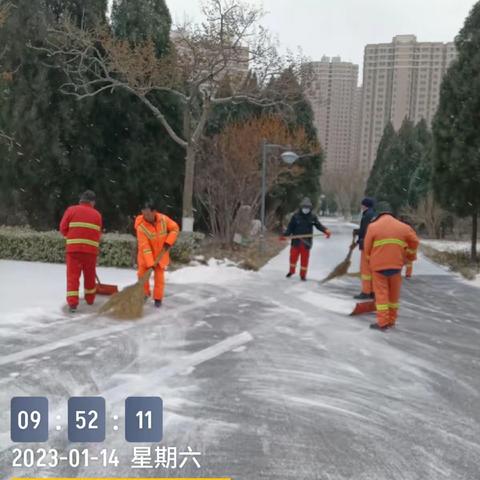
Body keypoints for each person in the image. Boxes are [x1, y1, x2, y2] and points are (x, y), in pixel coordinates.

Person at [364, 201, 419, 331]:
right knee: (393, 295)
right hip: (396, 266)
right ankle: (391, 320)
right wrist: (409, 256)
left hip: (378, 267)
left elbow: (367, 248)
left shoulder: (373, 226)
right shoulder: (403, 227)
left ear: (379, 213)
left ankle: (382, 322)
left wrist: (369, 260)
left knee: (382, 295)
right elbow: (415, 241)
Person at [59, 190, 102, 313]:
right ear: (92, 202)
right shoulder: (97, 215)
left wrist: (72, 237)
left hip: (73, 250)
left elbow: (63, 228)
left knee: (73, 276)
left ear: (81, 200)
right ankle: (90, 299)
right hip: (90, 251)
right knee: (89, 275)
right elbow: (98, 233)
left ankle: (72, 303)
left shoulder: (71, 210)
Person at [135, 202, 179, 307]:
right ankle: (144, 294)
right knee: (142, 276)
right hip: (145, 257)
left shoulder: (164, 220)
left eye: (148, 214)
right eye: (144, 214)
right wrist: (150, 263)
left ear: (154, 212)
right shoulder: (141, 227)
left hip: (161, 255)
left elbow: (175, 228)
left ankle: (158, 299)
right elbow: (145, 247)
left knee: (159, 279)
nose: (146, 217)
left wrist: (168, 241)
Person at [282, 197, 331, 281]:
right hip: (296, 242)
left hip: (306, 243)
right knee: (293, 258)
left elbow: (318, 225)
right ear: (301, 207)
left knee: (304, 260)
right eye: (304, 207)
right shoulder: (295, 216)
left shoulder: (312, 217)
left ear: (310, 208)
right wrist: (285, 235)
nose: (306, 209)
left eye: (308, 208)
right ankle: (291, 271)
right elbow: (290, 227)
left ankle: (303, 275)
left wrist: (325, 230)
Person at [353, 197, 376, 300]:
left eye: (362, 205)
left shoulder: (367, 215)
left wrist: (360, 239)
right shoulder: (373, 214)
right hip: (373, 245)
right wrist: (358, 232)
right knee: (372, 269)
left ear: (365, 205)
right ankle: (372, 291)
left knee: (365, 269)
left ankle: (366, 292)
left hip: (367, 245)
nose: (361, 206)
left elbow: (366, 230)